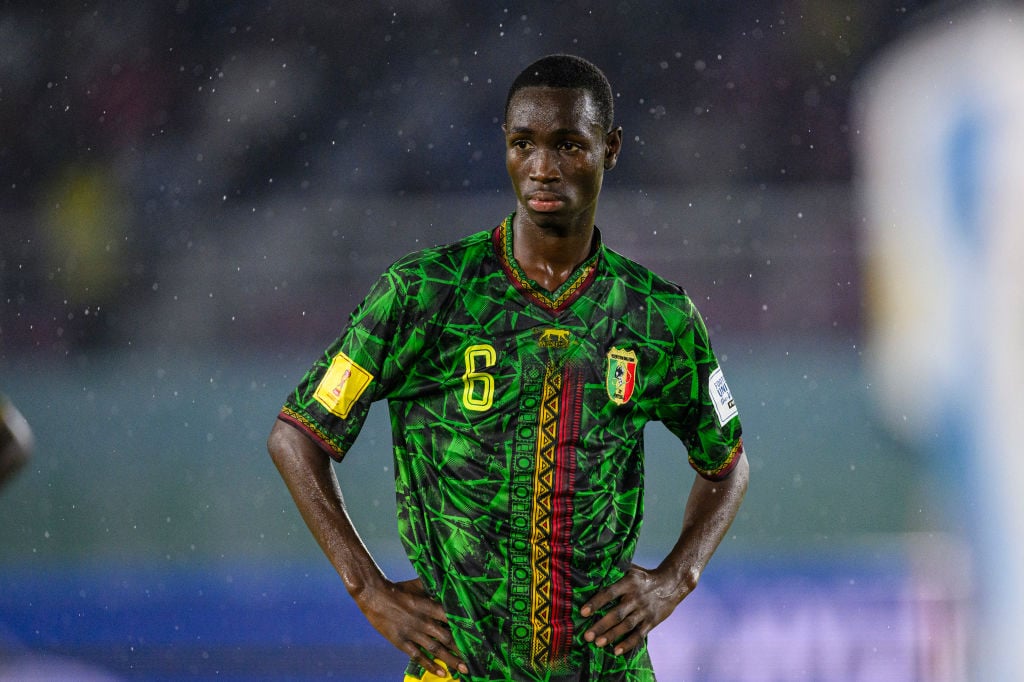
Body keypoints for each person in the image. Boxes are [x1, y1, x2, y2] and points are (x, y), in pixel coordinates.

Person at [268, 54, 749, 682]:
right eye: (524, 143)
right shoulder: (425, 291)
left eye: (569, 144)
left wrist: (675, 578)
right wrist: (369, 590)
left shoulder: (657, 313)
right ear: (505, 147)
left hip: (603, 669)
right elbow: (297, 436)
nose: (543, 168)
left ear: (611, 149)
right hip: (460, 668)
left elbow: (727, 464)